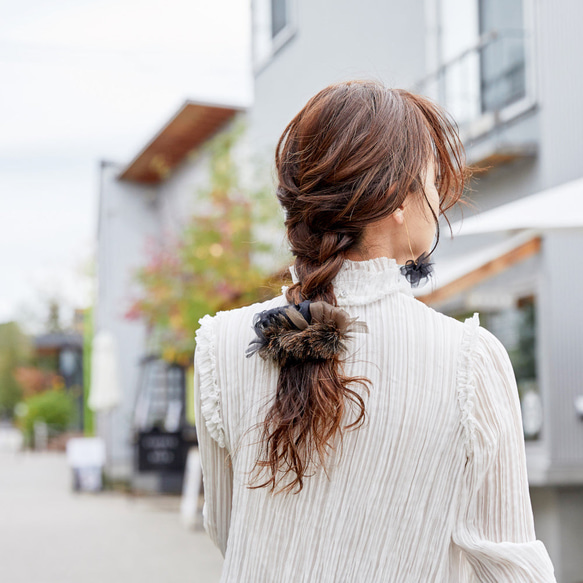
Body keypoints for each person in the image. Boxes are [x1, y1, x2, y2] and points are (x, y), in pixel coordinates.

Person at [192, 79, 557, 582]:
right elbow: (512, 568)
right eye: (432, 181)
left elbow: (232, 531)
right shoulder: (470, 360)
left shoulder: (222, 344)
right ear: (398, 200)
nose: (440, 199)